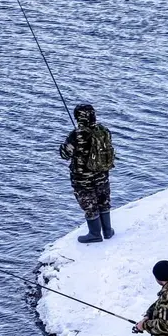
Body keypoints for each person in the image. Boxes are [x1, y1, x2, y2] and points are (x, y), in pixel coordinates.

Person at [59, 104, 115, 243]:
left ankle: (95, 234)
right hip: (102, 176)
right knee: (104, 201)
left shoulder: (76, 135)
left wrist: (65, 145)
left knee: (90, 204)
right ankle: (107, 231)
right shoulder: (104, 131)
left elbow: (65, 154)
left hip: (83, 180)